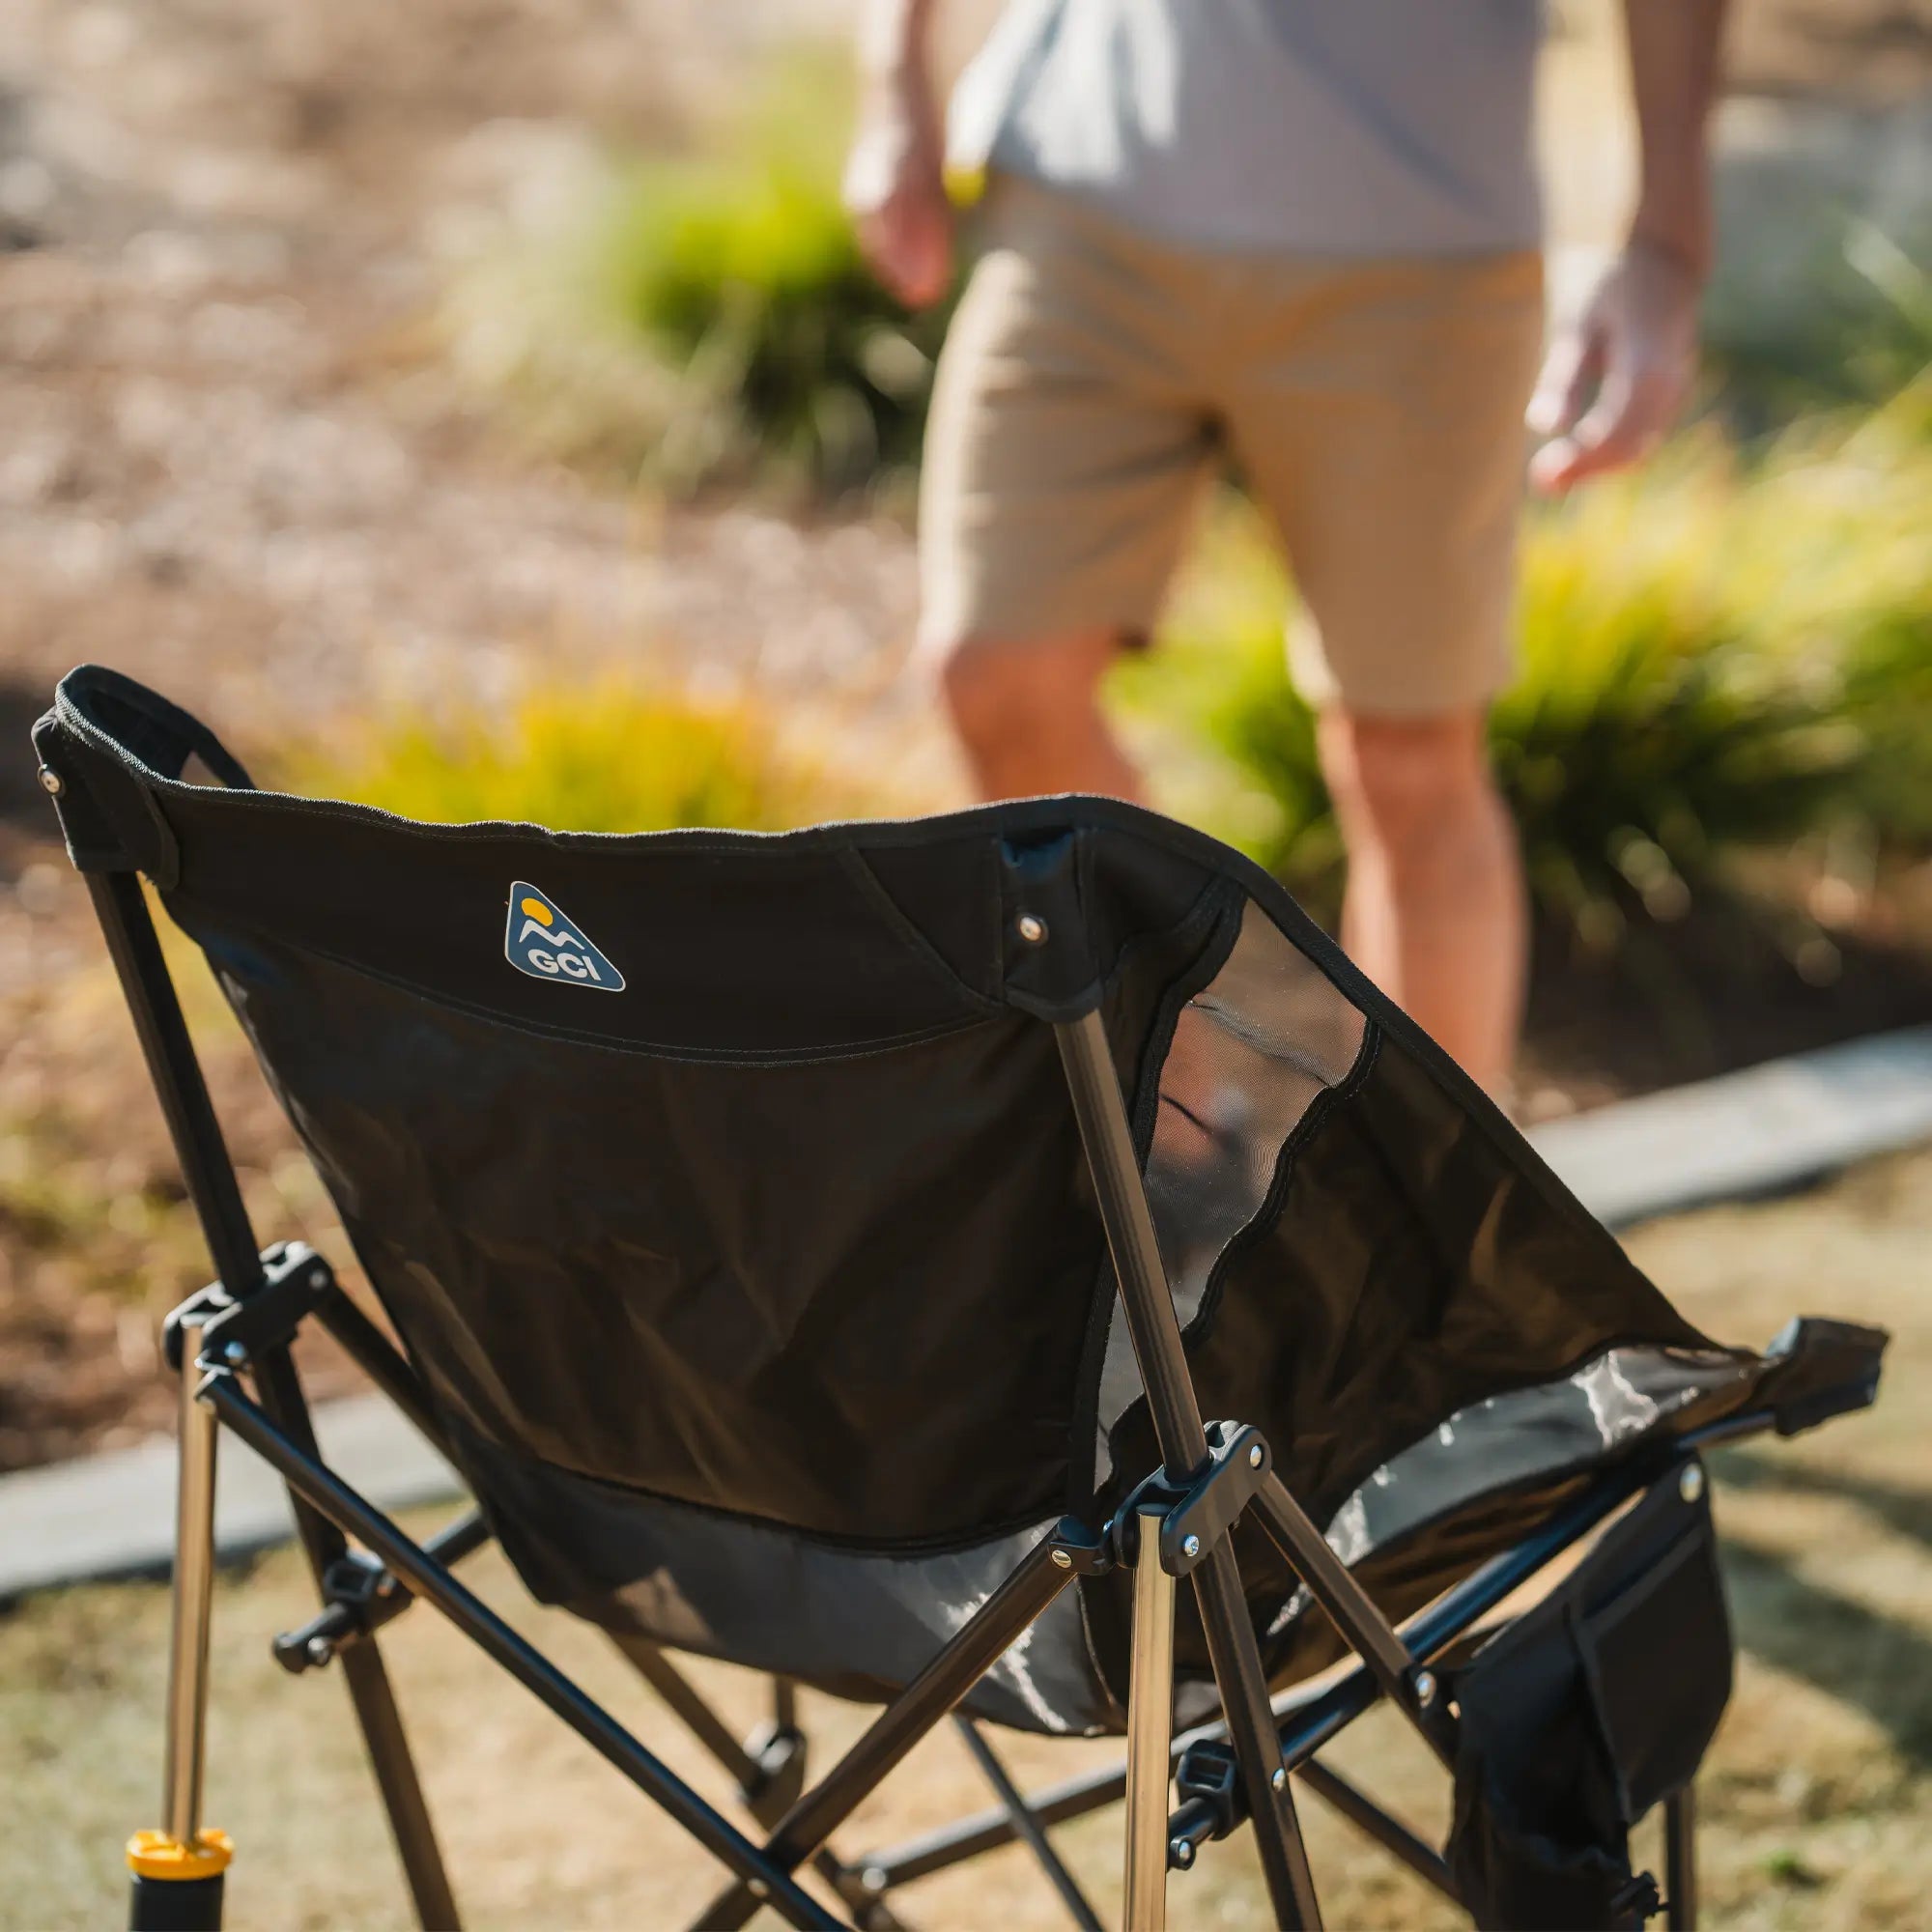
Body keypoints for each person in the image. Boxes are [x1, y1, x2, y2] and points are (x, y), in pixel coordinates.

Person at [844, 0, 1726, 1098]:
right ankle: (1177, 1142)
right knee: (997, 678)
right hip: (1080, 201)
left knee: (1406, 755)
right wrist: (893, 76)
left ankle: (1420, 1196)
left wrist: (1665, 247)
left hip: (1415, 246)